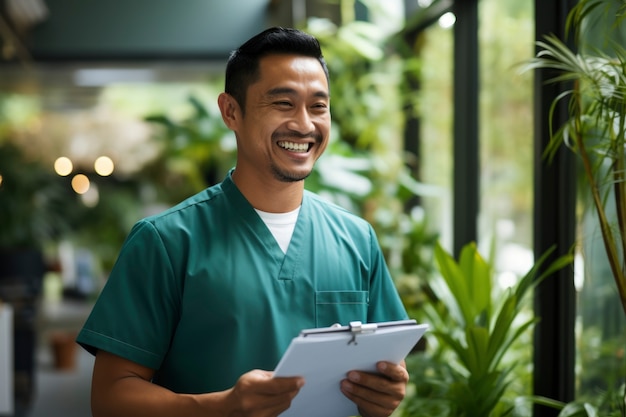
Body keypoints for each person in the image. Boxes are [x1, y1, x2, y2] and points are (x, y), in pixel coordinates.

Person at [76, 26, 410, 417]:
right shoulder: (165, 243)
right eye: (283, 103)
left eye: (318, 106)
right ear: (231, 111)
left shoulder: (357, 239)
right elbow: (110, 398)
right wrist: (223, 407)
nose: (304, 124)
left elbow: (389, 371)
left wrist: (385, 394)